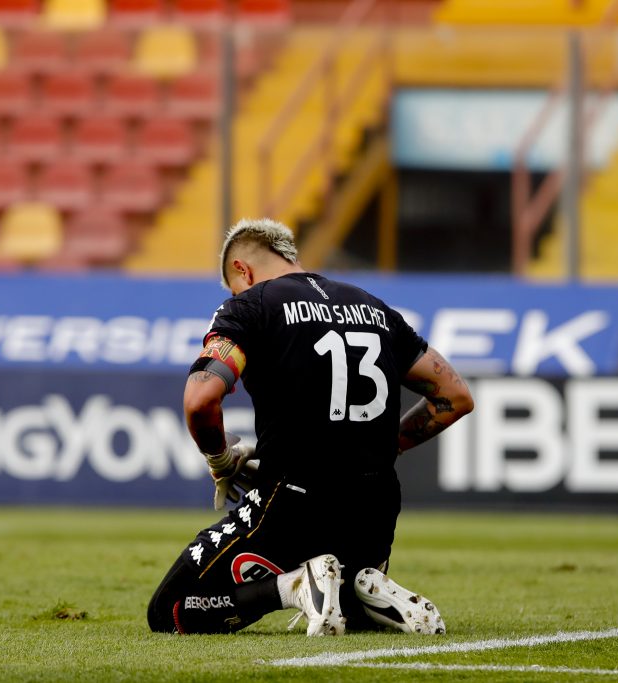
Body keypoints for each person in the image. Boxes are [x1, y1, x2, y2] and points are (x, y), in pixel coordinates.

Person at [146, 218, 474, 636]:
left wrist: (221, 459)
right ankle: (362, 589)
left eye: (234, 286)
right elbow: (455, 396)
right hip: (374, 508)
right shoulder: (373, 306)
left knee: (170, 610)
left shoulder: (252, 305)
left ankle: (295, 586)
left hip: (295, 503)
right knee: (343, 595)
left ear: (243, 270)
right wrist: (381, 448)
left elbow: (201, 398)